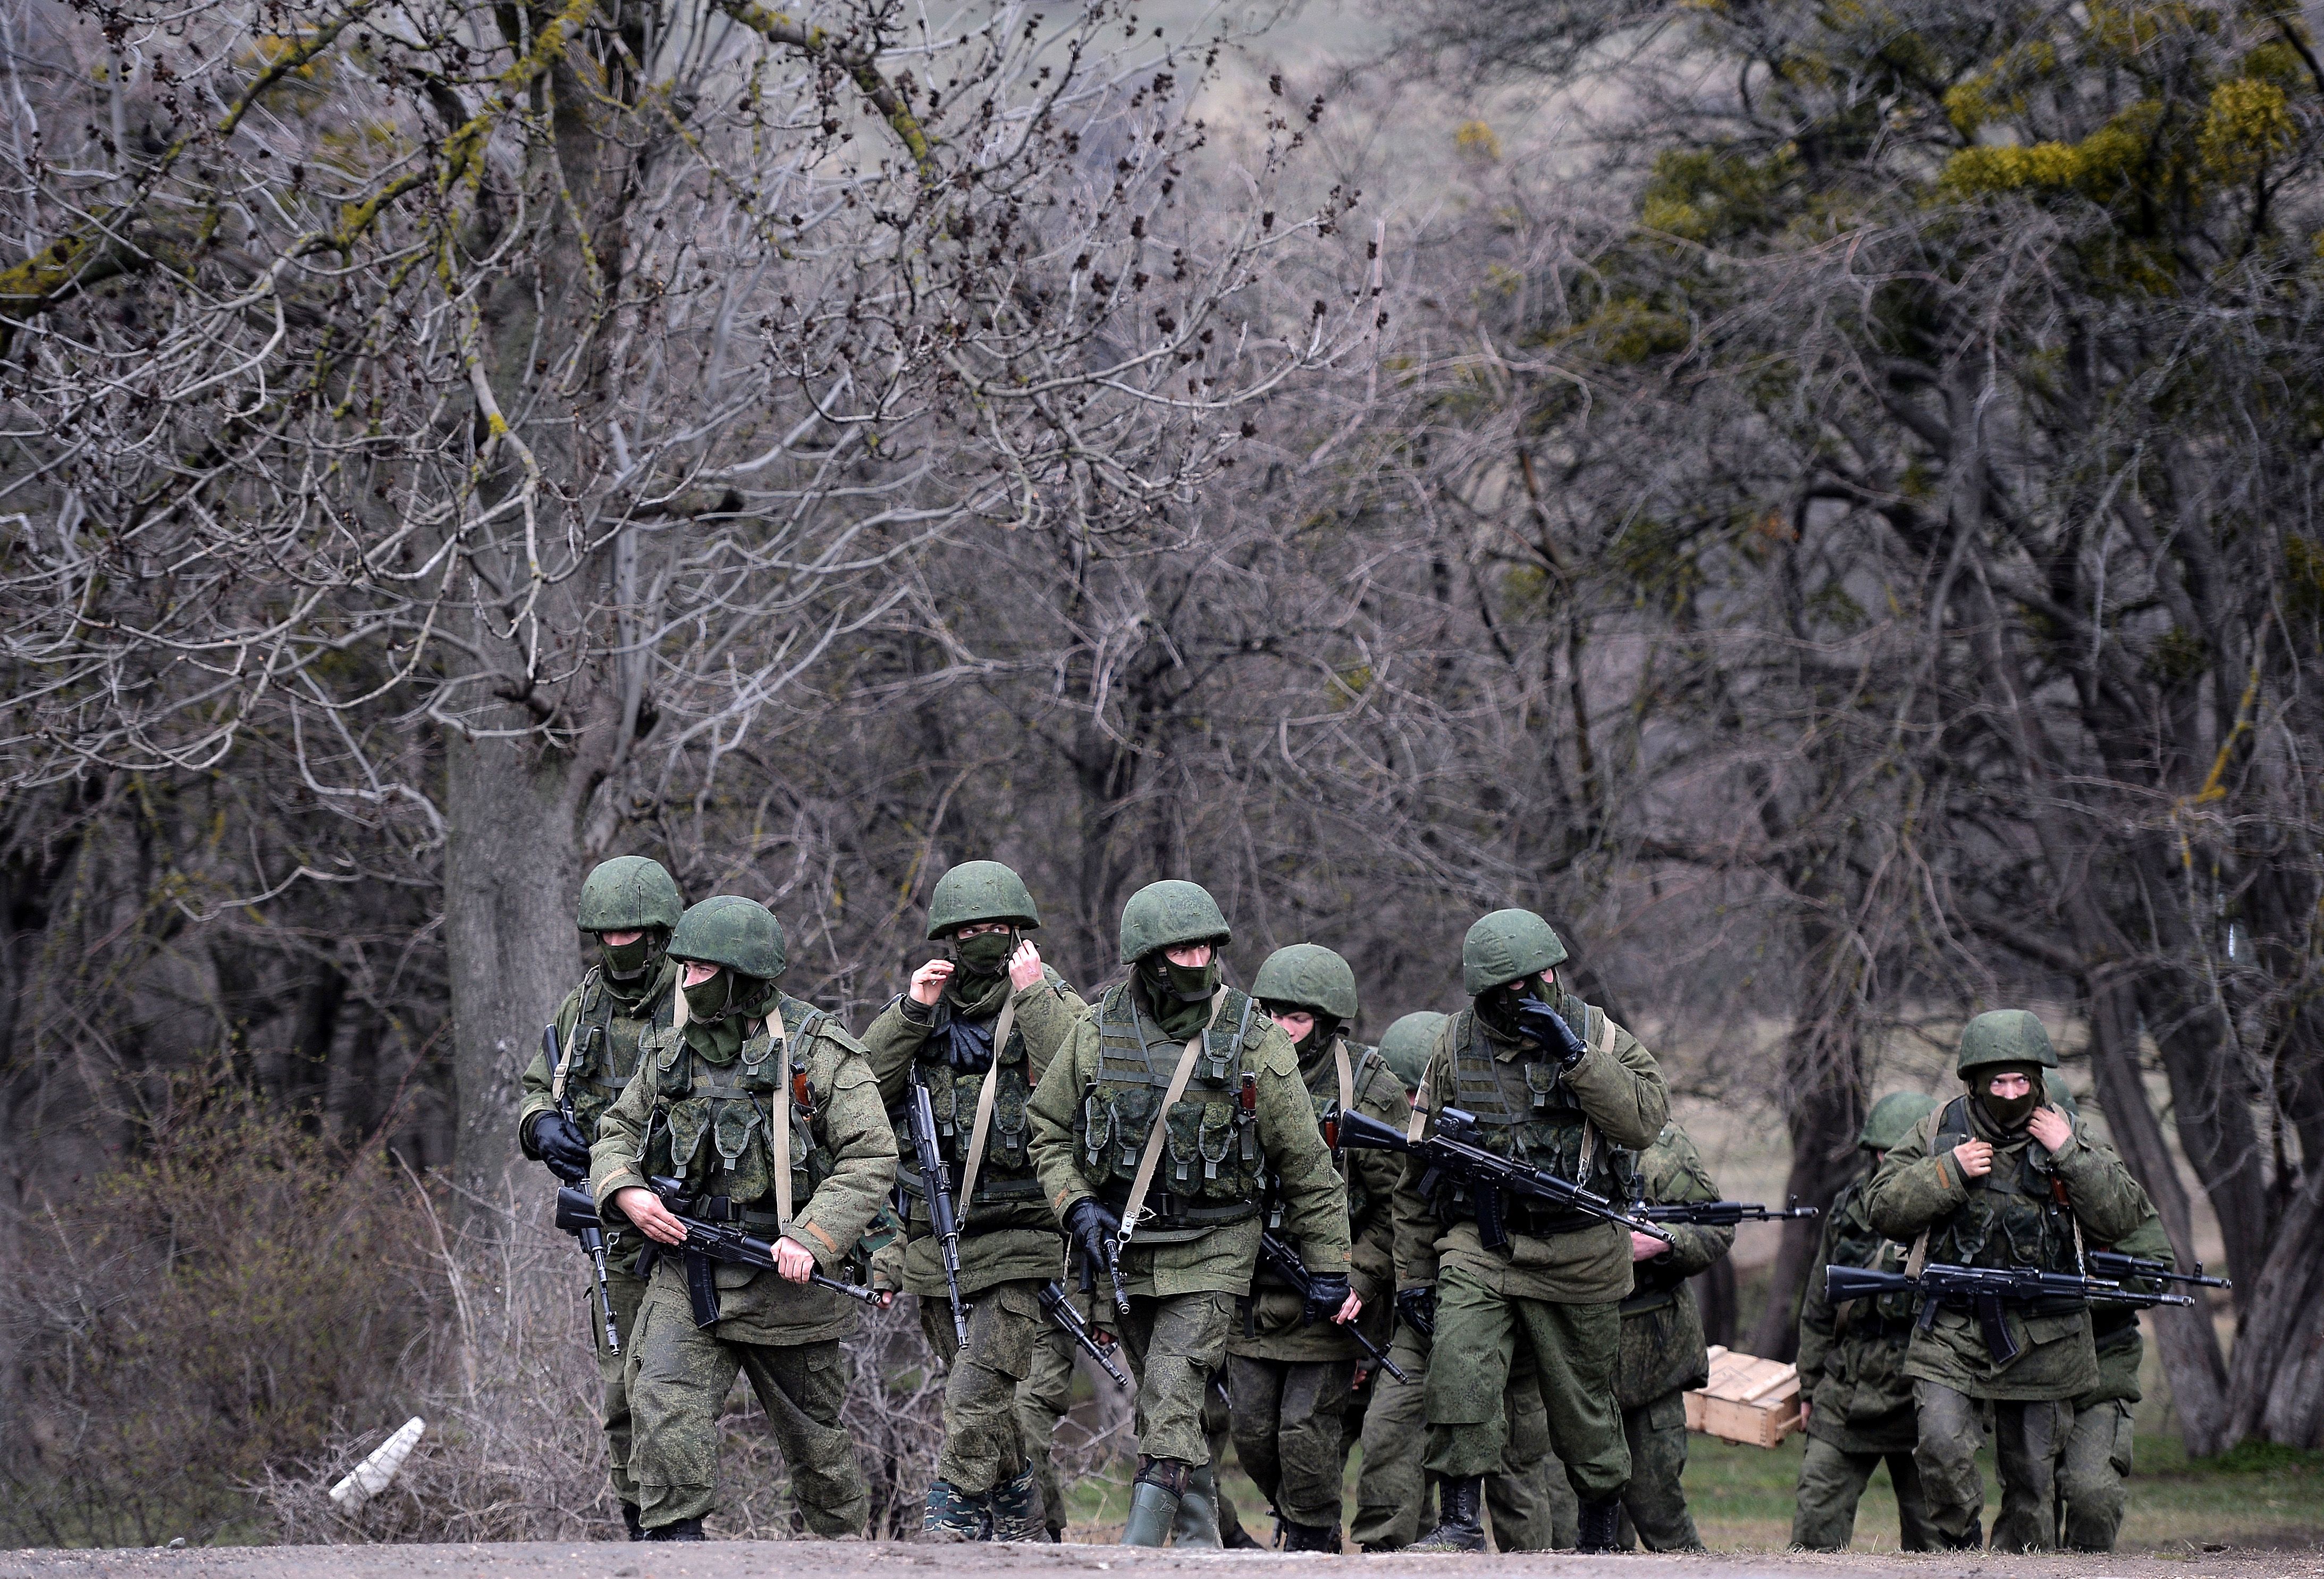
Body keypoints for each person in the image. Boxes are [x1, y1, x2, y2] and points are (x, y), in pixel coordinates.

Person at [1026, 879, 1354, 1547]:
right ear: (1147, 960)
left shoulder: (1256, 1040)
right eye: (1181, 951)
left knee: (1173, 1393)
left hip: (1216, 1245)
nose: (1198, 962)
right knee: (1163, 1401)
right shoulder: (1097, 1031)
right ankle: (1206, 1546)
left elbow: (1307, 1169)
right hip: (1128, 1248)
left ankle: (1136, 1554)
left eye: (1207, 947)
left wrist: (1331, 1268)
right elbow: (1047, 1130)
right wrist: (1076, 1203)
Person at [590, 895, 899, 1540]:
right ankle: (678, 1547)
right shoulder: (672, 1051)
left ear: (741, 975)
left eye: (702, 971)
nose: (685, 982)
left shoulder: (819, 1049)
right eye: (685, 969)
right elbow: (615, 1129)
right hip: (690, 1263)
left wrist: (813, 1237)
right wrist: (626, 1192)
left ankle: (843, 1557)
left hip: (789, 1283)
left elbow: (871, 1154)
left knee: (817, 1449)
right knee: (661, 1402)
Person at [1394, 909, 1670, 1553]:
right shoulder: (1455, 1044)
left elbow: (1644, 1121)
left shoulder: (1598, 1034)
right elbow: (1416, 1171)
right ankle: (1459, 1523)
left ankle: (1600, 1536)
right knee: (1458, 1366)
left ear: (1554, 972)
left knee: (1584, 1406)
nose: (1524, 993)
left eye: (1536, 978)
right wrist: (1413, 1274)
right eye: (1507, 987)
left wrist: (1573, 1055)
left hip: (1581, 1246)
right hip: (1481, 1242)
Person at [862, 860, 1090, 1542]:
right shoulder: (922, 1006)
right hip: (937, 1237)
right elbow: (860, 1085)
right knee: (985, 1400)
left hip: (1023, 1234)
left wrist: (1036, 992)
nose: (983, 939)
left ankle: (951, 1512)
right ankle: (1024, 1518)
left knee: (974, 1388)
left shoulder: (1050, 997)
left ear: (1020, 933)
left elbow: (1085, 1074)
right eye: (969, 930)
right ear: (947, 938)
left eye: (996, 928)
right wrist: (912, 1011)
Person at [1865, 1010, 2144, 1551]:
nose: (2011, 1093)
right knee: (1942, 1448)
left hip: (2045, 1336)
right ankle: (1960, 1543)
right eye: (1998, 1082)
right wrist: (1947, 1170)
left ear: (2037, 1080)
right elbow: (1880, 1206)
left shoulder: (2068, 1131)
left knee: (2031, 1490)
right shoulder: (1939, 1130)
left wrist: (2069, 1153)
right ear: (1974, 1082)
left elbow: (2122, 1217)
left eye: (2021, 1081)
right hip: (1951, 1328)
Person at [1352, 1012, 1573, 1553]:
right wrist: (1414, 1286)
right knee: (1387, 1435)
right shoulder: (1408, 1152)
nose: (1412, 1109)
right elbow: (1402, 1214)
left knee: (1515, 1458)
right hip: (1429, 1309)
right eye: (1404, 1097)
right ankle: (1384, 1556)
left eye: (1420, 1096)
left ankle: (1540, 1563)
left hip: (1506, 1305)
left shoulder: (1510, 1132)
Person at [516, 854, 684, 1540]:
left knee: (677, 1386)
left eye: (632, 934)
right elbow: (536, 1084)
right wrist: (541, 1125)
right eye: (606, 936)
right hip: (612, 1227)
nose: (619, 948)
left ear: (661, 931)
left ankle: (686, 1517)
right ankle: (643, 1524)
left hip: (690, 1218)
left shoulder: (696, 997)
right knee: (622, 1388)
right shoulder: (581, 1006)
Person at [1223, 944, 1409, 1551]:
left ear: (1327, 1022)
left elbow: (1396, 1206)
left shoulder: (1369, 1085)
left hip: (1329, 1298)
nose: (1282, 1028)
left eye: (1297, 1019)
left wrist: (1358, 1279)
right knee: (1252, 1433)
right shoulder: (1233, 1069)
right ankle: (1303, 1519)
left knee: (1305, 1431)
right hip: (1250, 1295)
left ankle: (1311, 1541)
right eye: (1272, 1014)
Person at [1790, 1090, 1939, 1552]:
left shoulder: (1956, 1208)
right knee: (1817, 1518)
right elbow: (1819, 1307)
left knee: (1936, 1539)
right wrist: (1811, 1388)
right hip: (1851, 1384)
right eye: (1882, 1152)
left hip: (1925, 1387)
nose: (1889, 1163)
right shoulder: (1851, 1207)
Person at [2049, 1075, 2170, 1553]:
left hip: (2100, 1370)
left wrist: (2087, 1292)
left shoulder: (2105, 1185)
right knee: (2026, 1518)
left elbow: (2156, 1267)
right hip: (2021, 1376)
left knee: (2092, 1496)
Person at [1612, 1119, 1732, 1551]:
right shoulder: (1545, 1131)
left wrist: (1664, 1242)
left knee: (1656, 1501)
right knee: (1579, 1517)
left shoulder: (1660, 1147)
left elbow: (1717, 1228)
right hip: (1567, 1356)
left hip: (1652, 1357)